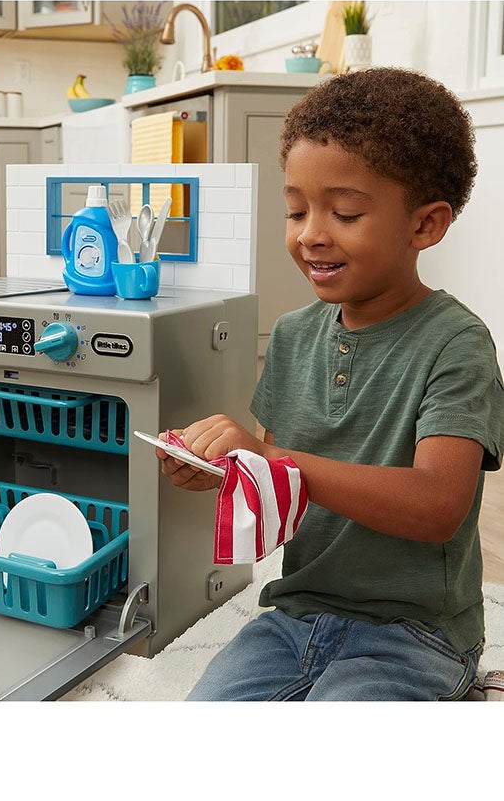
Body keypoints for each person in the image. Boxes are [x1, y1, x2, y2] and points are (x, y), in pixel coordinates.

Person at [156, 66, 504, 701]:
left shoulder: (456, 344)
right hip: (298, 614)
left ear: (425, 225)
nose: (311, 232)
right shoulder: (291, 334)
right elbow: (283, 486)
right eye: (296, 209)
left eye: (344, 212)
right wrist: (231, 471)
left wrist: (272, 458)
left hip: (417, 632)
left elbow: (436, 507)